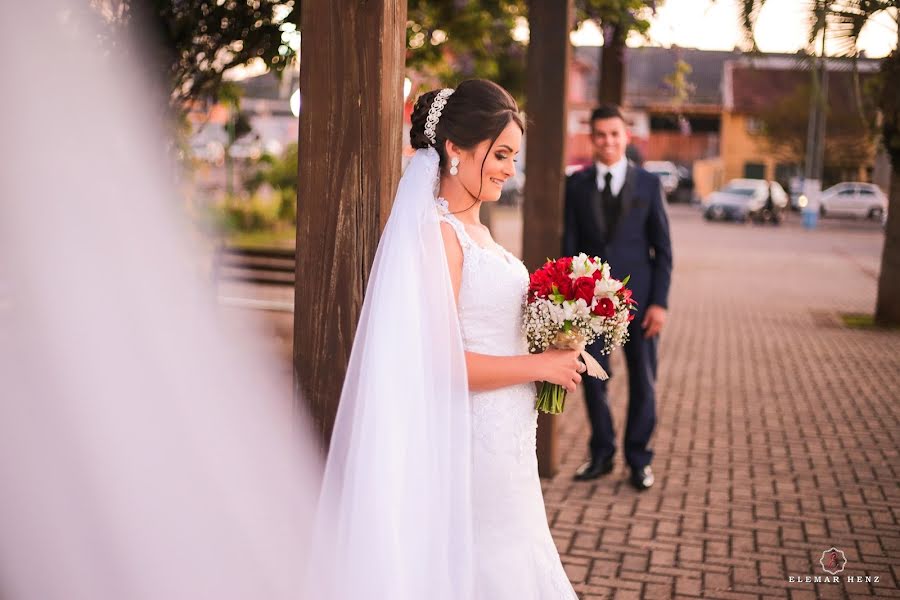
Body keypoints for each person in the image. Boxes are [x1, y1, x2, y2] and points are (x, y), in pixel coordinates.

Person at [305, 80, 581, 599]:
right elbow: (440, 365)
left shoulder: (479, 233)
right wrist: (541, 367)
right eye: (499, 154)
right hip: (472, 444)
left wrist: (557, 334)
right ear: (455, 149)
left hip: (509, 444)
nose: (508, 168)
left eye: (513, 157)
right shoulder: (440, 237)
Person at [563, 104, 673, 492]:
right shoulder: (575, 186)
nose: (608, 141)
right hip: (592, 308)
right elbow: (570, 248)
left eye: (615, 134)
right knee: (594, 381)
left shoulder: (648, 185)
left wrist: (659, 303)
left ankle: (639, 460)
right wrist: (571, 307)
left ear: (626, 137)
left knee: (644, 382)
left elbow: (663, 250)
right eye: (600, 135)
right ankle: (602, 453)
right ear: (592, 139)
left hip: (641, 305)